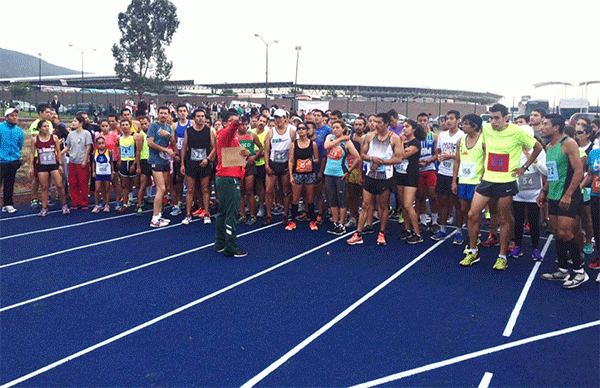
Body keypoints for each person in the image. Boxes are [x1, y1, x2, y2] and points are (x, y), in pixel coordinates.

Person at [463, 104, 543, 271]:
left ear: (506, 117)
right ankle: (472, 251)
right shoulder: (486, 129)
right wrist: (482, 172)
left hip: (506, 180)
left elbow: (538, 148)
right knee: (472, 213)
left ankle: (502, 256)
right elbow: (486, 151)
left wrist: (525, 167)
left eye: (497, 118)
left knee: (503, 218)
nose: (493, 121)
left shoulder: (517, 131)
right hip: (487, 179)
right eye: (491, 118)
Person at [539, 114, 588, 288]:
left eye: (546, 124)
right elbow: (552, 172)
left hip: (568, 194)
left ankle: (580, 271)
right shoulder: (549, 146)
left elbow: (578, 171)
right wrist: (543, 192)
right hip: (553, 193)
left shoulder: (568, 143)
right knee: (557, 232)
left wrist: (568, 194)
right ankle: (562, 268)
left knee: (567, 232)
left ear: (556, 127)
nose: (541, 127)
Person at [347, 113, 402, 246]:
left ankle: (382, 232)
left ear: (386, 124)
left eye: (379, 122)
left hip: (385, 177)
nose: (376, 124)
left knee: (383, 206)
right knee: (365, 204)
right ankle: (358, 233)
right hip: (371, 175)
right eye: (375, 122)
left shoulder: (394, 138)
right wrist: (372, 159)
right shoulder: (370, 136)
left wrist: (382, 162)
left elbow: (399, 158)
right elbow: (363, 155)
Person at [449, 114, 485, 263]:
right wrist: (454, 181)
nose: (462, 126)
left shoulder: (483, 140)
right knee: (465, 210)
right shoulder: (461, 141)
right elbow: (457, 161)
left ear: (475, 126)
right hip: (463, 180)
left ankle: (474, 242)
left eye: (466, 124)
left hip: (476, 181)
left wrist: (482, 181)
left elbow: (486, 161)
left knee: (473, 213)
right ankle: (473, 235)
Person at [214, 109, 250, 257]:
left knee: (223, 212)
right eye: (231, 120)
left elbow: (236, 155)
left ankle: (220, 243)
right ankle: (231, 247)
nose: (235, 123)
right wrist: (235, 123)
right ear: (224, 123)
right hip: (228, 178)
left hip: (227, 177)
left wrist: (245, 154)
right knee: (232, 213)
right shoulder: (224, 134)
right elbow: (231, 130)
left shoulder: (232, 138)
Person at [508, 135, 547, 261]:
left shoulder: (539, 152)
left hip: (534, 194)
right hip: (518, 193)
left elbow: (546, 171)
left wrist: (533, 159)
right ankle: (518, 246)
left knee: (534, 222)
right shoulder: (514, 150)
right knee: (518, 221)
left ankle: (535, 248)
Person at [323, 119, 361, 235]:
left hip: (340, 174)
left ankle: (341, 223)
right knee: (332, 199)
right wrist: (340, 139)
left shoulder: (347, 143)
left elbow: (358, 157)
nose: (335, 130)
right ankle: (335, 223)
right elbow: (326, 146)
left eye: (338, 127)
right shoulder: (330, 137)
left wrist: (349, 170)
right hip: (329, 172)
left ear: (343, 129)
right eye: (333, 127)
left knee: (342, 199)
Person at [432, 110, 464, 243]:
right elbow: (438, 150)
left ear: (458, 120)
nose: (449, 121)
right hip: (443, 172)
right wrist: (440, 156)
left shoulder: (462, 136)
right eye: (447, 118)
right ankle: (443, 229)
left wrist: (450, 156)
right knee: (443, 202)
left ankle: (459, 231)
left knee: (458, 204)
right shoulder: (442, 135)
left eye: (452, 118)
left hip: (457, 174)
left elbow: (465, 155)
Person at [180, 108, 215, 225]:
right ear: (194, 118)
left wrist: (208, 159)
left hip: (204, 163)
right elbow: (184, 148)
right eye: (198, 116)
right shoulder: (188, 131)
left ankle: (206, 213)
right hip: (191, 163)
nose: (201, 118)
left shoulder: (209, 131)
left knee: (205, 189)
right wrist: (182, 164)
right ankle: (188, 215)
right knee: (190, 190)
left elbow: (214, 147)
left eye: (202, 116)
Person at [28, 120, 69, 216]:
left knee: (59, 185)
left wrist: (60, 164)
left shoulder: (54, 138)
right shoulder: (35, 139)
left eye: (48, 126)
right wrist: (30, 167)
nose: (47, 128)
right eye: (44, 126)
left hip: (54, 164)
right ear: (39, 128)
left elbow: (58, 152)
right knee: (44, 187)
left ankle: (64, 205)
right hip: (42, 165)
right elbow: (31, 153)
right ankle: (44, 208)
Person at [263, 109, 296, 226]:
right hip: (273, 164)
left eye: (280, 118)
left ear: (285, 119)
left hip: (285, 165)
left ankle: (285, 214)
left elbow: (294, 148)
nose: (278, 120)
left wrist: (292, 166)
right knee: (268, 190)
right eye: (276, 118)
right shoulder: (271, 132)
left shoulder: (291, 131)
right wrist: (266, 165)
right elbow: (266, 150)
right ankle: (269, 215)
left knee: (286, 191)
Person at [396, 120, 426, 244]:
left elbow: (402, 155)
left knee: (408, 205)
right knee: (403, 205)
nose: (404, 129)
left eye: (407, 127)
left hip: (411, 175)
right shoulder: (403, 141)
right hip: (400, 173)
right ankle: (407, 229)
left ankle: (417, 233)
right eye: (403, 126)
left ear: (413, 129)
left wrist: (400, 141)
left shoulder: (416, 143)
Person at [287, 122, 320, 231]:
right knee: (295, 199)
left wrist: (310, 161)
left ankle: (312, 220)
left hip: (309, 174)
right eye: (299, 129)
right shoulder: (294, 144)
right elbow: (291, 160)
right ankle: (293, 221)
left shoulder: (312, 144)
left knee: (310, 198)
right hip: (297, 174)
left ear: (307, 131)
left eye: (303, 128)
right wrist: (291, 175)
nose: (301, 130)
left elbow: (317, 158)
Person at [147, 106, 176, 228]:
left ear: (169, 115)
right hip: (155, 160)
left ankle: (158, 215)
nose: (163, 115)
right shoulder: (154, 126)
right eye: (161, 113)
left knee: (163, 189)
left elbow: (173, 143)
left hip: (164, 161)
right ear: (158, 114)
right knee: (161, 188)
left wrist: (169, 135)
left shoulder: (168, 127)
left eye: (165, 113)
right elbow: (150, 142)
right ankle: (154, 219)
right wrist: (166, 150)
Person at [61, 115, 93, 210]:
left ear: (81, 123)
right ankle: (75, 202)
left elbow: (88, 147)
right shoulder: (71, 134)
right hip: (72, 161)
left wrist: (85, 159)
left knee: (83, 182)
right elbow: (67, 146)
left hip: (82, 161)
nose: (73, 123)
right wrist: (59, 153)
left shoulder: (86, 134)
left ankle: (84, 202)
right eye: (73, 121)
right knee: (73, 182)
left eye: (75, 121)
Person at [236, 117, 263, 225]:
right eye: (241, 124)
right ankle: (242, 214)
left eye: (246, 124)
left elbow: (261, 147)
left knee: (249, 191)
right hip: (237, 166)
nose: (244, 127)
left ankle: (252, 215)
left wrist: (254, 157)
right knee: (240, 192)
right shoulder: (234, 136)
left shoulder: (252, 135)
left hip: (249, 166)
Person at [416, 112, 440, 233]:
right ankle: (423, 221)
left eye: (425, 120)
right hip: (418, 169)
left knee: (432, 194)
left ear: (428, 122)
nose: (423, 123)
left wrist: (428, 160)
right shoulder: (414, 137)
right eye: (420, 120)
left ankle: (435, 221)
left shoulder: (434, 136)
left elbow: (437, 154)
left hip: (430, 168)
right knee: (420, 196)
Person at [0, 108, 24, 213]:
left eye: (16, 115)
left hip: (13, 161)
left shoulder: (19, 131)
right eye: (12, 115)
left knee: (9, 184)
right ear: (6, 117)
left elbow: (20, 145)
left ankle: (8, 204)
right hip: (1, 161)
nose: (15, 117)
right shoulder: (0, 128)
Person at [582, 142, 600, 280]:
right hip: (596, 195)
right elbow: (589, 174)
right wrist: (579, 187)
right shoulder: (594, 153)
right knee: (597, 228)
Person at [115, 120, 138, 213]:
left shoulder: (134, 136)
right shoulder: (119, 137)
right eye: (123, 125)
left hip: (132, 161)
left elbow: (138, 151)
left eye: (126, 125)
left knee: (136, 184)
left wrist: (135, 164)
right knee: (124, 185)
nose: (124, 127)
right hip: (124, 162)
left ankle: (139, 203)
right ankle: (125, 204)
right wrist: (119, 158)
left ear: (130, 126)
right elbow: (117, 147)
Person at [91, 136, 115, 213]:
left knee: (107, 189)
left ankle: (107, 204)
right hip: (99, 173)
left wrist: (112, 172)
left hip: (107, 173)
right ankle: (97, 205)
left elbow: (111, 163)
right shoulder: (95, 152)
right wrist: (93, 172)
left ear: (105, 143)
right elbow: (93, 162)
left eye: (102, 143)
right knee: (97, 189)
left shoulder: (110, 152)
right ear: (96, 145)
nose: (101, 145)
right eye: (99, 144)